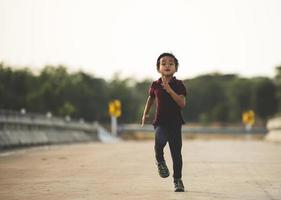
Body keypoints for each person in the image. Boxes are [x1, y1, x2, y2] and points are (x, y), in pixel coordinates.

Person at [141, 53, 187, 192]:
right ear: (158, 68)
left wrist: (170, 90)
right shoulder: (155, 85)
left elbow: (182, 103)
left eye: (171, 63)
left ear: (176, 68)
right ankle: (160, 160)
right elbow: (150, 99)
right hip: (160, 122)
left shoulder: (179, 85)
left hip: (175, 123)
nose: (167, 66)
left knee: (176, 153)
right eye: (164, 63)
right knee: (159, 140)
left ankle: (177, 180)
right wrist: (145, 114)